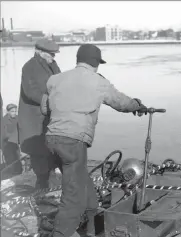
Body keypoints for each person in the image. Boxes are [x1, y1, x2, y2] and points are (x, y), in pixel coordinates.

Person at [40, 44, 148, 237]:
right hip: (73, 142)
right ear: (96, 63)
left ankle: (93, 227)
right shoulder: (98, 81)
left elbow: (43, 108)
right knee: (73, 197)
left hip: (51, 139)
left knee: (83, 181)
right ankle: (60, 233)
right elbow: (121, 102)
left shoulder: (55, 79)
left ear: (78, 59)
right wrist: (137, 105)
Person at [17, 39, 61, 189]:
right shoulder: (29, 67)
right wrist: (48, 100)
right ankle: (42, 186)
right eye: (51, 54)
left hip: (49, 116)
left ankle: (51, 181)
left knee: (52, 150)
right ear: (39, 52)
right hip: (34, 119)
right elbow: (30, 92)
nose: (53, 57)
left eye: (54, 55)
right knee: (39, 153)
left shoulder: (53, 65)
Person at [1, 104, 23, 177]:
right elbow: (3, 134)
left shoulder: (17, 118)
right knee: (10, 158)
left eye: (15, 111)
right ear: (8, 112)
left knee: (17, 156)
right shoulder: (4, 120)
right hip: (6, 143)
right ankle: (12, 174)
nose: (14, 113)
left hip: (14, 141)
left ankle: (19, 172)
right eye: (12, 111)